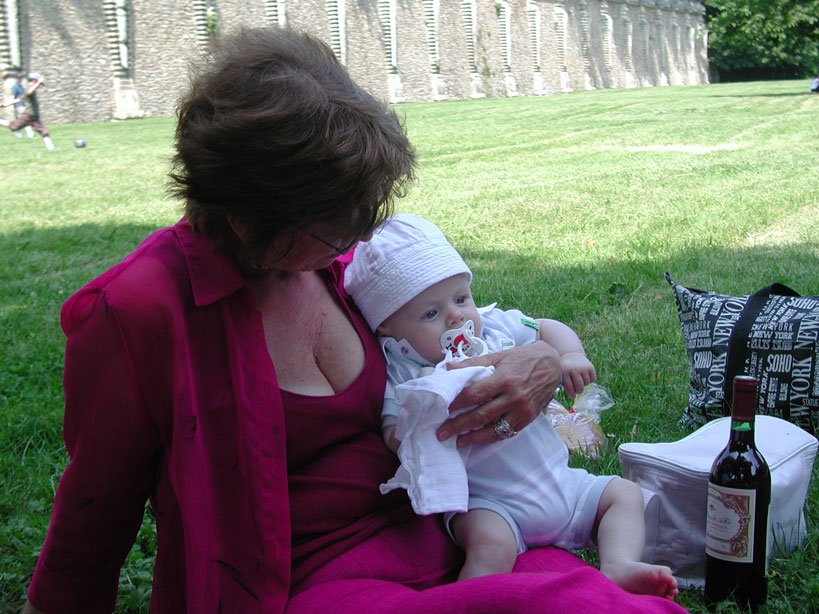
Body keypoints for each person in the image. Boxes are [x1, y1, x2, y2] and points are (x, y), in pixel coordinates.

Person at [21, 27, 690, 614]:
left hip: (460, 530)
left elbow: (473, 329)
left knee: (599, 601)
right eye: (342, 218)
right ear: (250, 212)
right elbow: (94, 514)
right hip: (309, 579)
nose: (363, 234)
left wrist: (541, 360)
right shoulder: (138, 311)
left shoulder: (338, 268)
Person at [344, 213, 678, 598]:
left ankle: (618, 564)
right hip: (491, 504)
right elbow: (392, 431)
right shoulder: (407, 374)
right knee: (489, 547)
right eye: (431, 313)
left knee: (623, 495)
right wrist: (416, 430)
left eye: (461, 298)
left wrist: (570, 355)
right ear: (388, 329)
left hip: (562, 482)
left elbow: (546, 327)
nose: (456, 317)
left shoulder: (495, 328)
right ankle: (468, 603)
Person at [0, 72, 55, 149]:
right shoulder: (29, 89)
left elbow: (19, 99)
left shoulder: (30, 89)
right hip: (28, 116)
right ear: (34, 81)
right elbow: (29, 92)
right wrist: (38, 83)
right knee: (13, 126)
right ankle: (51, 148)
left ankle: (51, 148)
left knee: (44, 131)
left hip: (34, 117)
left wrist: (6, 104)